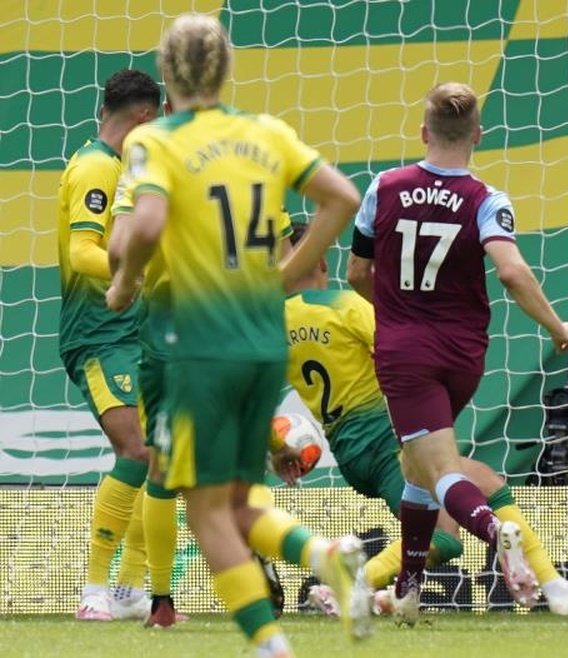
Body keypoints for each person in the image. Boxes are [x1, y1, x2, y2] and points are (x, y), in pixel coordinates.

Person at [106, 14, 367, 654]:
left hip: (198, 342)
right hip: (263, 339)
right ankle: (316, 563)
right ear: (226, 70)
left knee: (204, 508)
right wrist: (287, 272)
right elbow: (343, 198)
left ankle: (278, 628)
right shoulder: (267, 133)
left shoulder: (157, 141)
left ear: (168, 74)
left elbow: (143, 227)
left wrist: (124, 283)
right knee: (238, 497)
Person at [282, 223, 568, 616]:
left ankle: (555, 587)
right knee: (445, 537)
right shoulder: (344, 306)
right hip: (387, 439)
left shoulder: (274, 323)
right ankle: (349, 586)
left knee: (487, 482)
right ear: (323, 260)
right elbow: (400, 351)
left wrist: (280, 448)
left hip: (348, 446)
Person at [346, 81, 568, 624]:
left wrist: (396, 306)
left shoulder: (384, 187)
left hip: (406, 352)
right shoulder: (486, 200)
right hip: (465, 355)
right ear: (478, 134)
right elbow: (510, 270)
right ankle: (407, 589)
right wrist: (557, 326)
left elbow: (357, 272)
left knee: (439, 468)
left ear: (424, 131)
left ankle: (494, 531)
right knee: (416, 468)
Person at [108, 172, 296, 626]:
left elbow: (121, 245)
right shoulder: (255, 164)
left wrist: (124, 282)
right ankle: (303, 553)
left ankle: (161, 602)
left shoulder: (153, 163)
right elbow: (288, 264)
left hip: (170, 329)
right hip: (235, 328)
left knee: (161, 468)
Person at [56, 68, 161, 621]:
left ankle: (129, 589)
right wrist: (136, 278)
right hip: (99, 333)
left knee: (157, 456)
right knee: (138, 450)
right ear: (145, 116)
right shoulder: (98, 166)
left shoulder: (117, 168)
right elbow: (82, 254)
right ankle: (95, 589)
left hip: (130, 332)